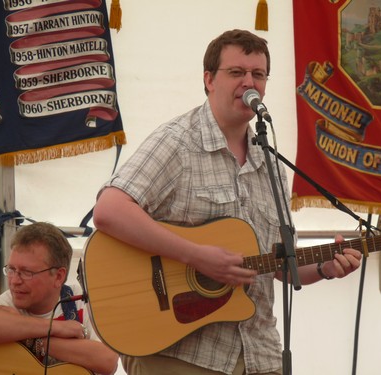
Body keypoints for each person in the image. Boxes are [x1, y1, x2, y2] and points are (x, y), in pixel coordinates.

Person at [93, 29, 362, 375]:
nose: (249, 82)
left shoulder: (272, 165)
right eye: (236, 72)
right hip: (181, 352)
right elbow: (109, 210)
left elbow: (279, 262)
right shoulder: (177, 142)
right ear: (209, 80)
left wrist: (326, 266)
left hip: (260, 354)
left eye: (258, 74)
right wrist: (196, 257)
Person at [0, 222, 118, 375]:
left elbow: (107, 361)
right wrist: (57, 328)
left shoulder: (80, 300)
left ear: (58, 276)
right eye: (12, 269)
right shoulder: (5, 303)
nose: (14, 281)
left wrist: (35, 340)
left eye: (27, 272)